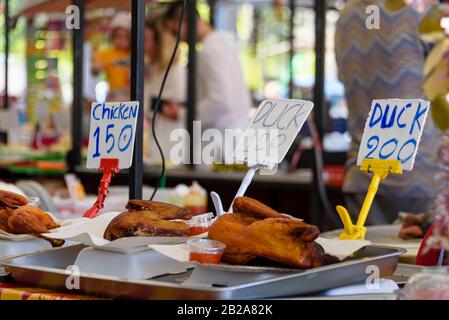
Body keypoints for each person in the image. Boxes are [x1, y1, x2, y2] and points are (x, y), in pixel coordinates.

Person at [335, 0, 444, 224]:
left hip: (363, 176)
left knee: (370, 258)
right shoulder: (419, 13)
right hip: (420, 175)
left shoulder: (345, 17)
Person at [163, 2, 251, 134]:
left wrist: (182, 114)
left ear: (186, 20)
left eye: (175, 32)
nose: (178, 39)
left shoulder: (211, 50)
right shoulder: (221, 45)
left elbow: (220, 101)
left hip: (221, 138)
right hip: (231, 132)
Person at [144, 19, 187, 162]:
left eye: (146, 39)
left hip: (173, 144)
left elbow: (177, 108)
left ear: (160, 42)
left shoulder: (175, 72)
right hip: (159, 143)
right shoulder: (153, 71)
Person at [92, 12, 131, 101]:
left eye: (124, 37)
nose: (121, 41)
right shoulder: (107, 53)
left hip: (129, 93)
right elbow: (94, 70)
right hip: (114, 94)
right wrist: (96, 67)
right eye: (118, 36)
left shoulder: (133, 53)